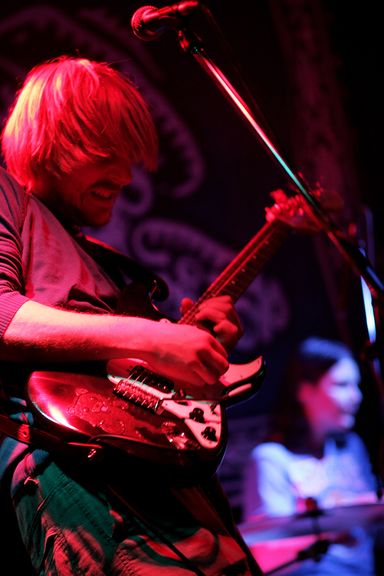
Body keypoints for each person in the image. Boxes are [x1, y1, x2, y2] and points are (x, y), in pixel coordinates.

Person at [0, 55, 263, 575]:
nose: (124, 175)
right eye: (104, 154)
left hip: (167, 478)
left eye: (128, 156)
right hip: (76, 471)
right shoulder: (7, 197)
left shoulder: (102, 259)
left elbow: (118, 368)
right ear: (48, 145)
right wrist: (153, 340)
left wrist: (189, 352)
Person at [242, 336, 383, 575]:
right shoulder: (271, 459)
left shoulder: (351, 448)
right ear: (305, 391)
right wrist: (333, 526)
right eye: (342, 385)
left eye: (356, 385)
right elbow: (265, 552)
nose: (356, 396)